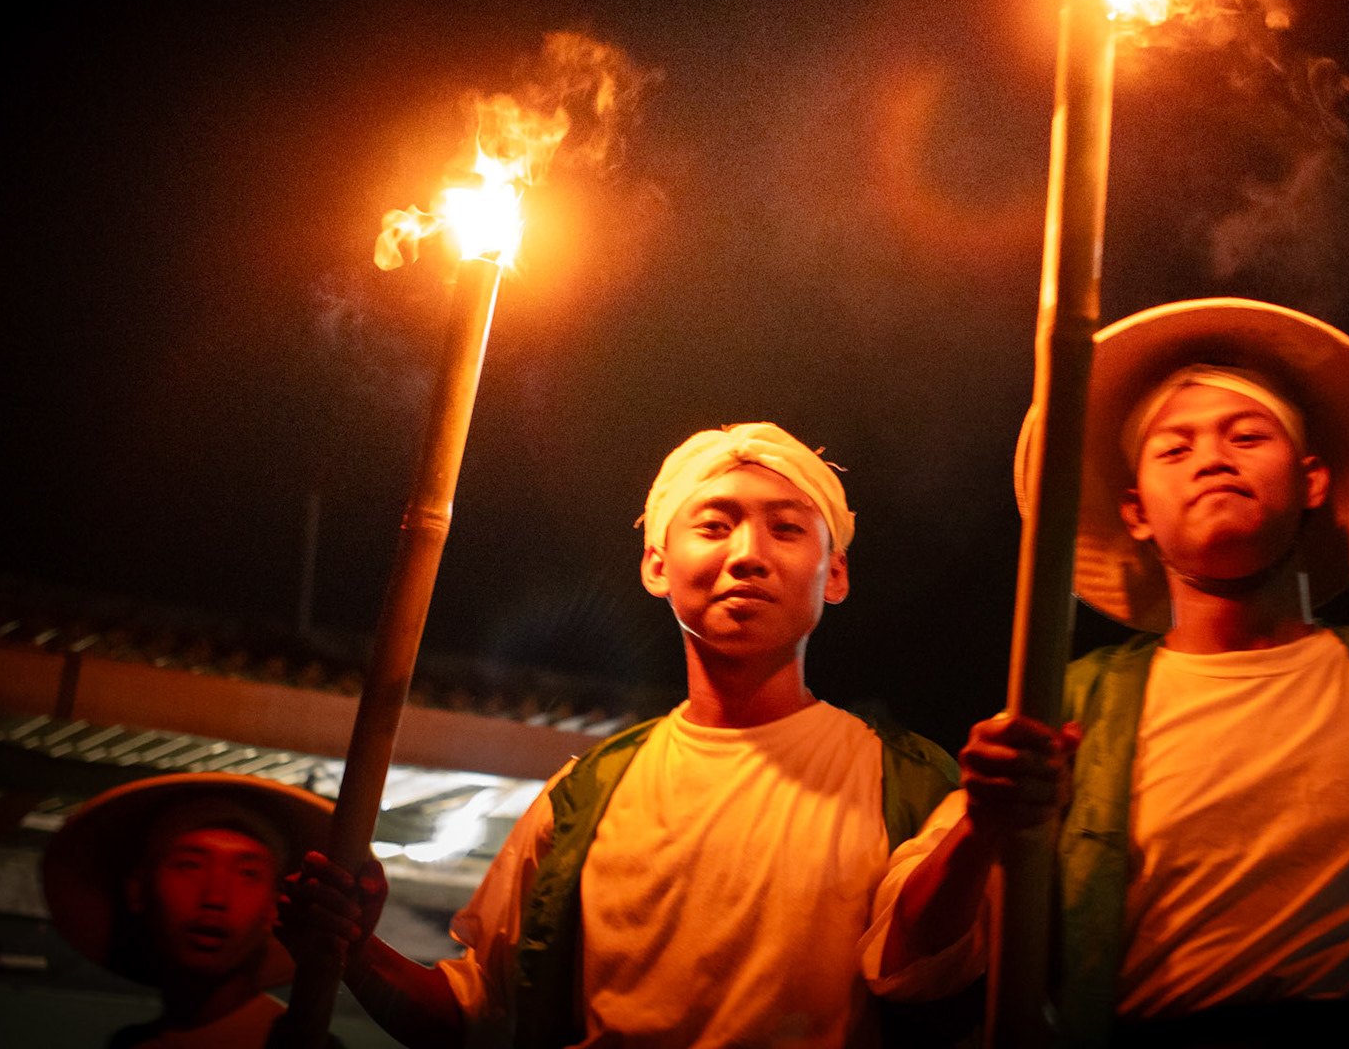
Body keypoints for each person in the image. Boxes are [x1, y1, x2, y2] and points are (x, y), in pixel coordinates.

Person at [867, 298, 1349, 1047]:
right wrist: (982, 825)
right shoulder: (1066, 706)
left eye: (1246, 436)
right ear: (1137, 511)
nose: (1213, 459)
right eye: (1174, 449)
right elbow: (908, 960)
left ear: (1312, 479)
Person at [282, 422, 959, 1048]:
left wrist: (983, 826)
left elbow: (943, 977)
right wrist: (354, 952)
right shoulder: (585, 797)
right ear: (657, 565)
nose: (748, 555)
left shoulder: (907, 784)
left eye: (786, 530)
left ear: (833, 573)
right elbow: (478, 1016)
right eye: (715, 525)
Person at [41, 772, 336, 1048]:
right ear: (137, 890)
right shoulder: (129, 1044)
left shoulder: (299, 1044)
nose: (215, 897)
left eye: (248, 873)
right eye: (189, 865)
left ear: (275, 905)